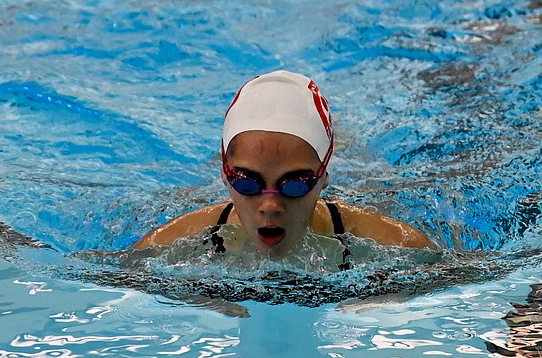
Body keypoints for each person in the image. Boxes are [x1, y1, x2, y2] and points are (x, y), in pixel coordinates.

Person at [133, 70, 436, 262]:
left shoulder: (399, 245)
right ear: (225, 174)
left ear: (324, 176)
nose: (269, 205)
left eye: (295, 184)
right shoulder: (164, 246)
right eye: (246, 182)